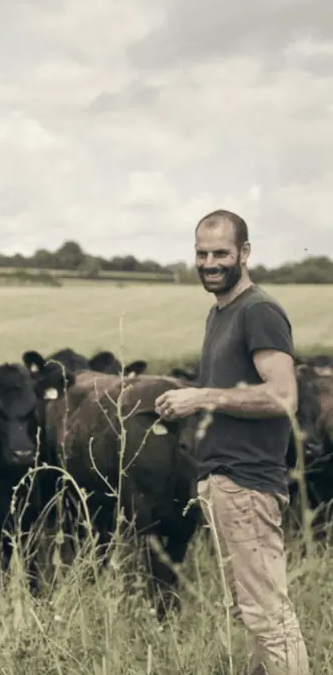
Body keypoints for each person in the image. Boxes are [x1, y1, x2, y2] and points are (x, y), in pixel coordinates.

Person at [154, 209, 309, 675]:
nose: (209, 262)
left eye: (221, 252)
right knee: (251, 614)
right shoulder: (221, 311)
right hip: (224, 483)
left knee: (269, 618)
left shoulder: (258, 311)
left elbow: (283, 396)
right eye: (201, 253)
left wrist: (201, 396)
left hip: (248, 484)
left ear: (244, 252)